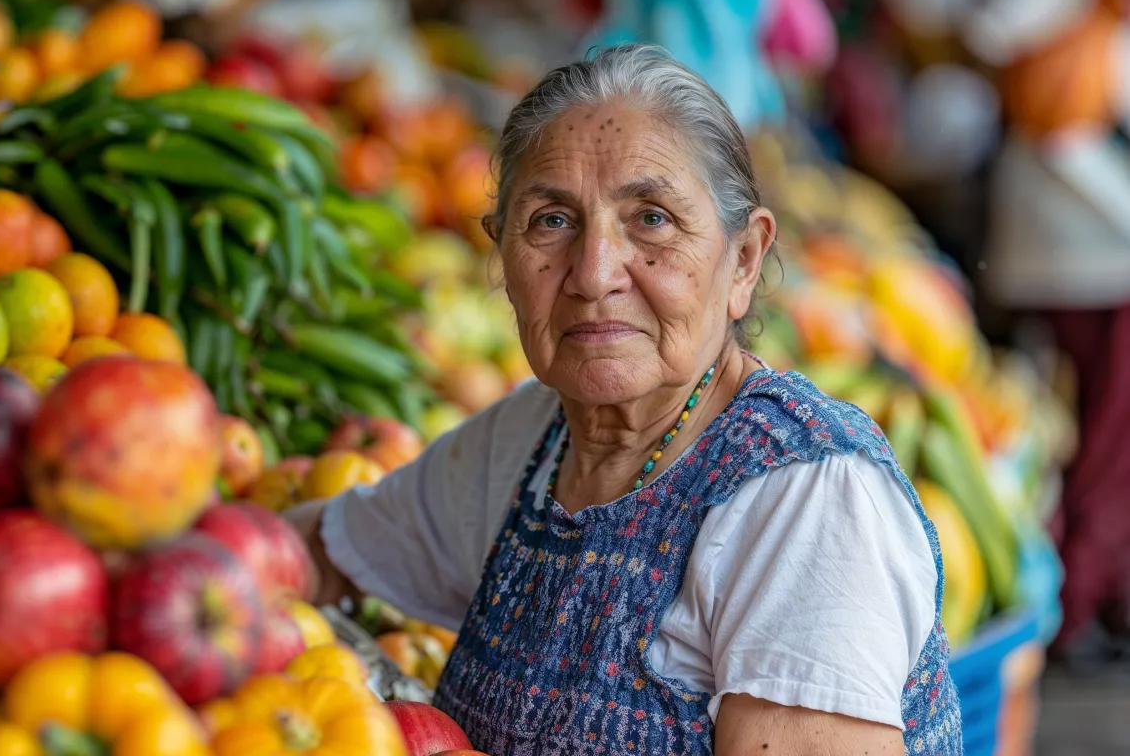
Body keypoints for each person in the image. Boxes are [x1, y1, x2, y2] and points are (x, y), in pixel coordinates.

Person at [287, 43, 961, 755]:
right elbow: (319, 552)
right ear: (502, 258)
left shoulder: (807, 504)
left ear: (743, 260)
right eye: (551, 220)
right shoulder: (531, 442)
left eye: (652, 219)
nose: (594, 273)